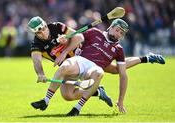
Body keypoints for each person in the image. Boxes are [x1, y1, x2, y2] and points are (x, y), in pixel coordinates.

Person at [28, 17, 165, 116]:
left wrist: (65, 44)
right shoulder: (36, 45)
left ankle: (145, 58)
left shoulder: (56, 26)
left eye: (44, 27)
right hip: (75, 63)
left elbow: (78, 37)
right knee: (68, 95)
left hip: (85, 59)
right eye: (40, 30)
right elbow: (37, 61)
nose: (44, 31)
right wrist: (40, 73)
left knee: (115, 69)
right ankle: (97, 91)